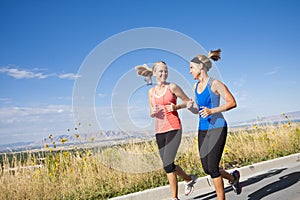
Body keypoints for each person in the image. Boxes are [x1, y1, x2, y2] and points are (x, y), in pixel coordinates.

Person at [136, 61, 197, 200]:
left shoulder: (173, 87)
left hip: (174, 127)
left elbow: (188, 102)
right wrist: (152, 112)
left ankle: (174, 198)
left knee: (168, 164)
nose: (164, 74)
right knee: (167, 165)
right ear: (155, 73)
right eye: (161, 71)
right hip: (159, 130)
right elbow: (151, 112)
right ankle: (188, 179)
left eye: (166, 71)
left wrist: (177, 107)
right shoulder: (151, 92)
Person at [186, 49, 242, 200]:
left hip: (218, 127)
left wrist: (213, 111)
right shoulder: (195, 87)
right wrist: (192, 108)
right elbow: (200, 110)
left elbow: (232, 103)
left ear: (200, 67)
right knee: (207, 168)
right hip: (203, 129)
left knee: (213, 168)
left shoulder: (215, 83)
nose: (189, 71)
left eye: (191, 67)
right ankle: (233, 178)